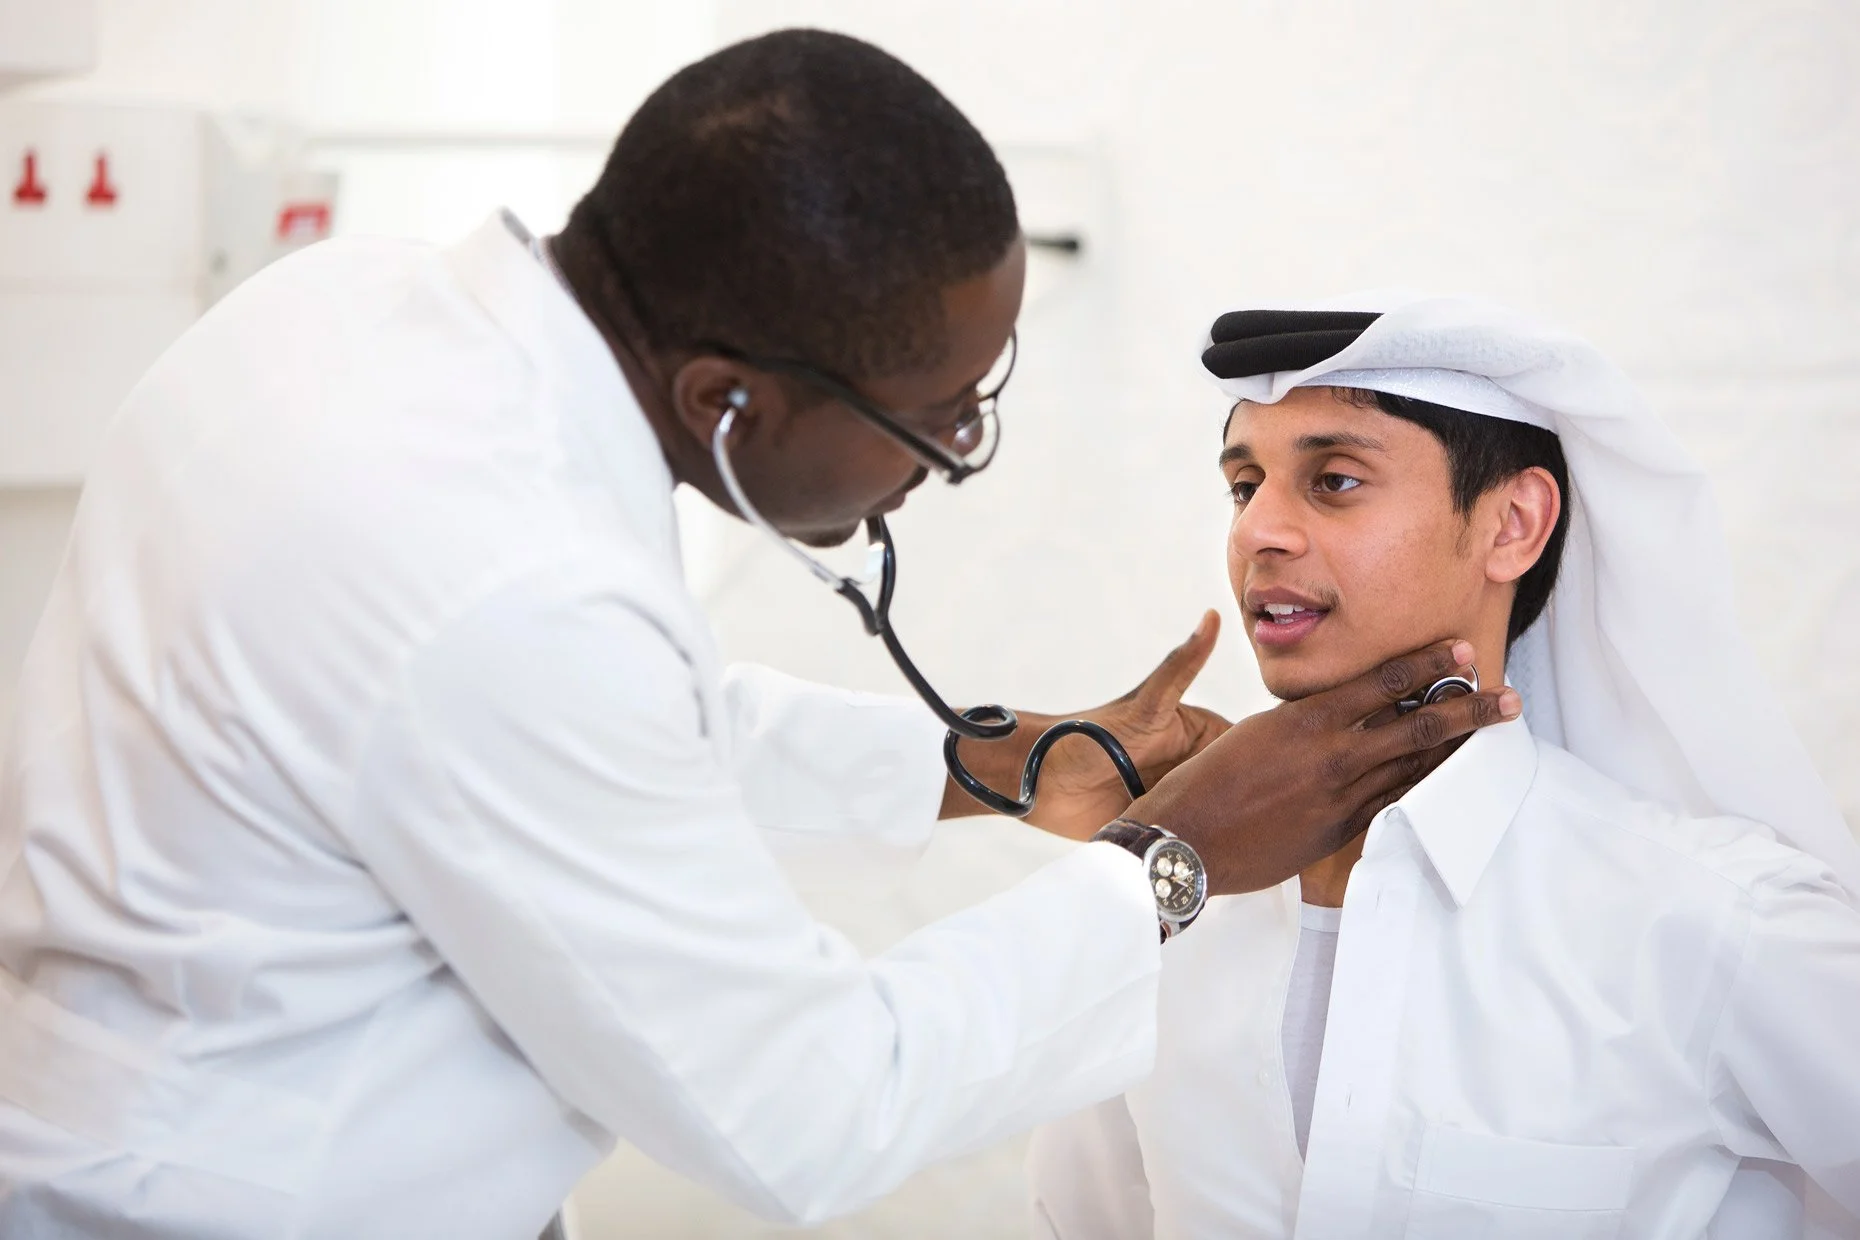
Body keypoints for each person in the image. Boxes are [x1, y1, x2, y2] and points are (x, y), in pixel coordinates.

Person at [0, 33, 1510, 1240]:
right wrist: (1172, 866)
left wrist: (992, 763)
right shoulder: (504, 582)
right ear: (732, 402)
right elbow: (807, 1106)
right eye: (930, 421)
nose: (942, 460)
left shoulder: (341, 313)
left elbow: (597, 729)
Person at [1026, 296, 1860, 1239]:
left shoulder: (1714, 923)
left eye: (1334, 480)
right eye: (1244, 483)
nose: (1259, 529)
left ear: (1513, 524)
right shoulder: (1161, 914)